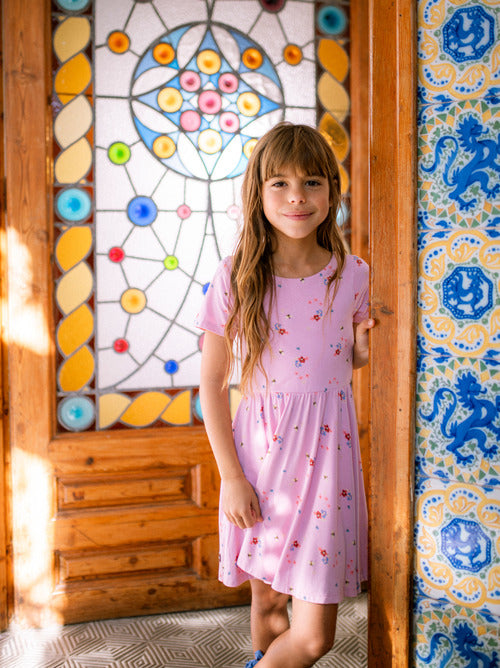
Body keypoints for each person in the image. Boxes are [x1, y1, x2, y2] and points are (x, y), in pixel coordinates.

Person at [196, 122, 374, 668]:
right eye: (280, 183)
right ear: (258, 191)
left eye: (312, 181)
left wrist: (359, 352)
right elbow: (212, 385)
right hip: (260, 459)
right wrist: (231, 477)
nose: (297, 196)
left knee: (314, 638)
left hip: (327, 462)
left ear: (331, 191)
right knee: (269, 600)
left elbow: (339, 361)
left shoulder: (353, 274)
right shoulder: (237, 276)